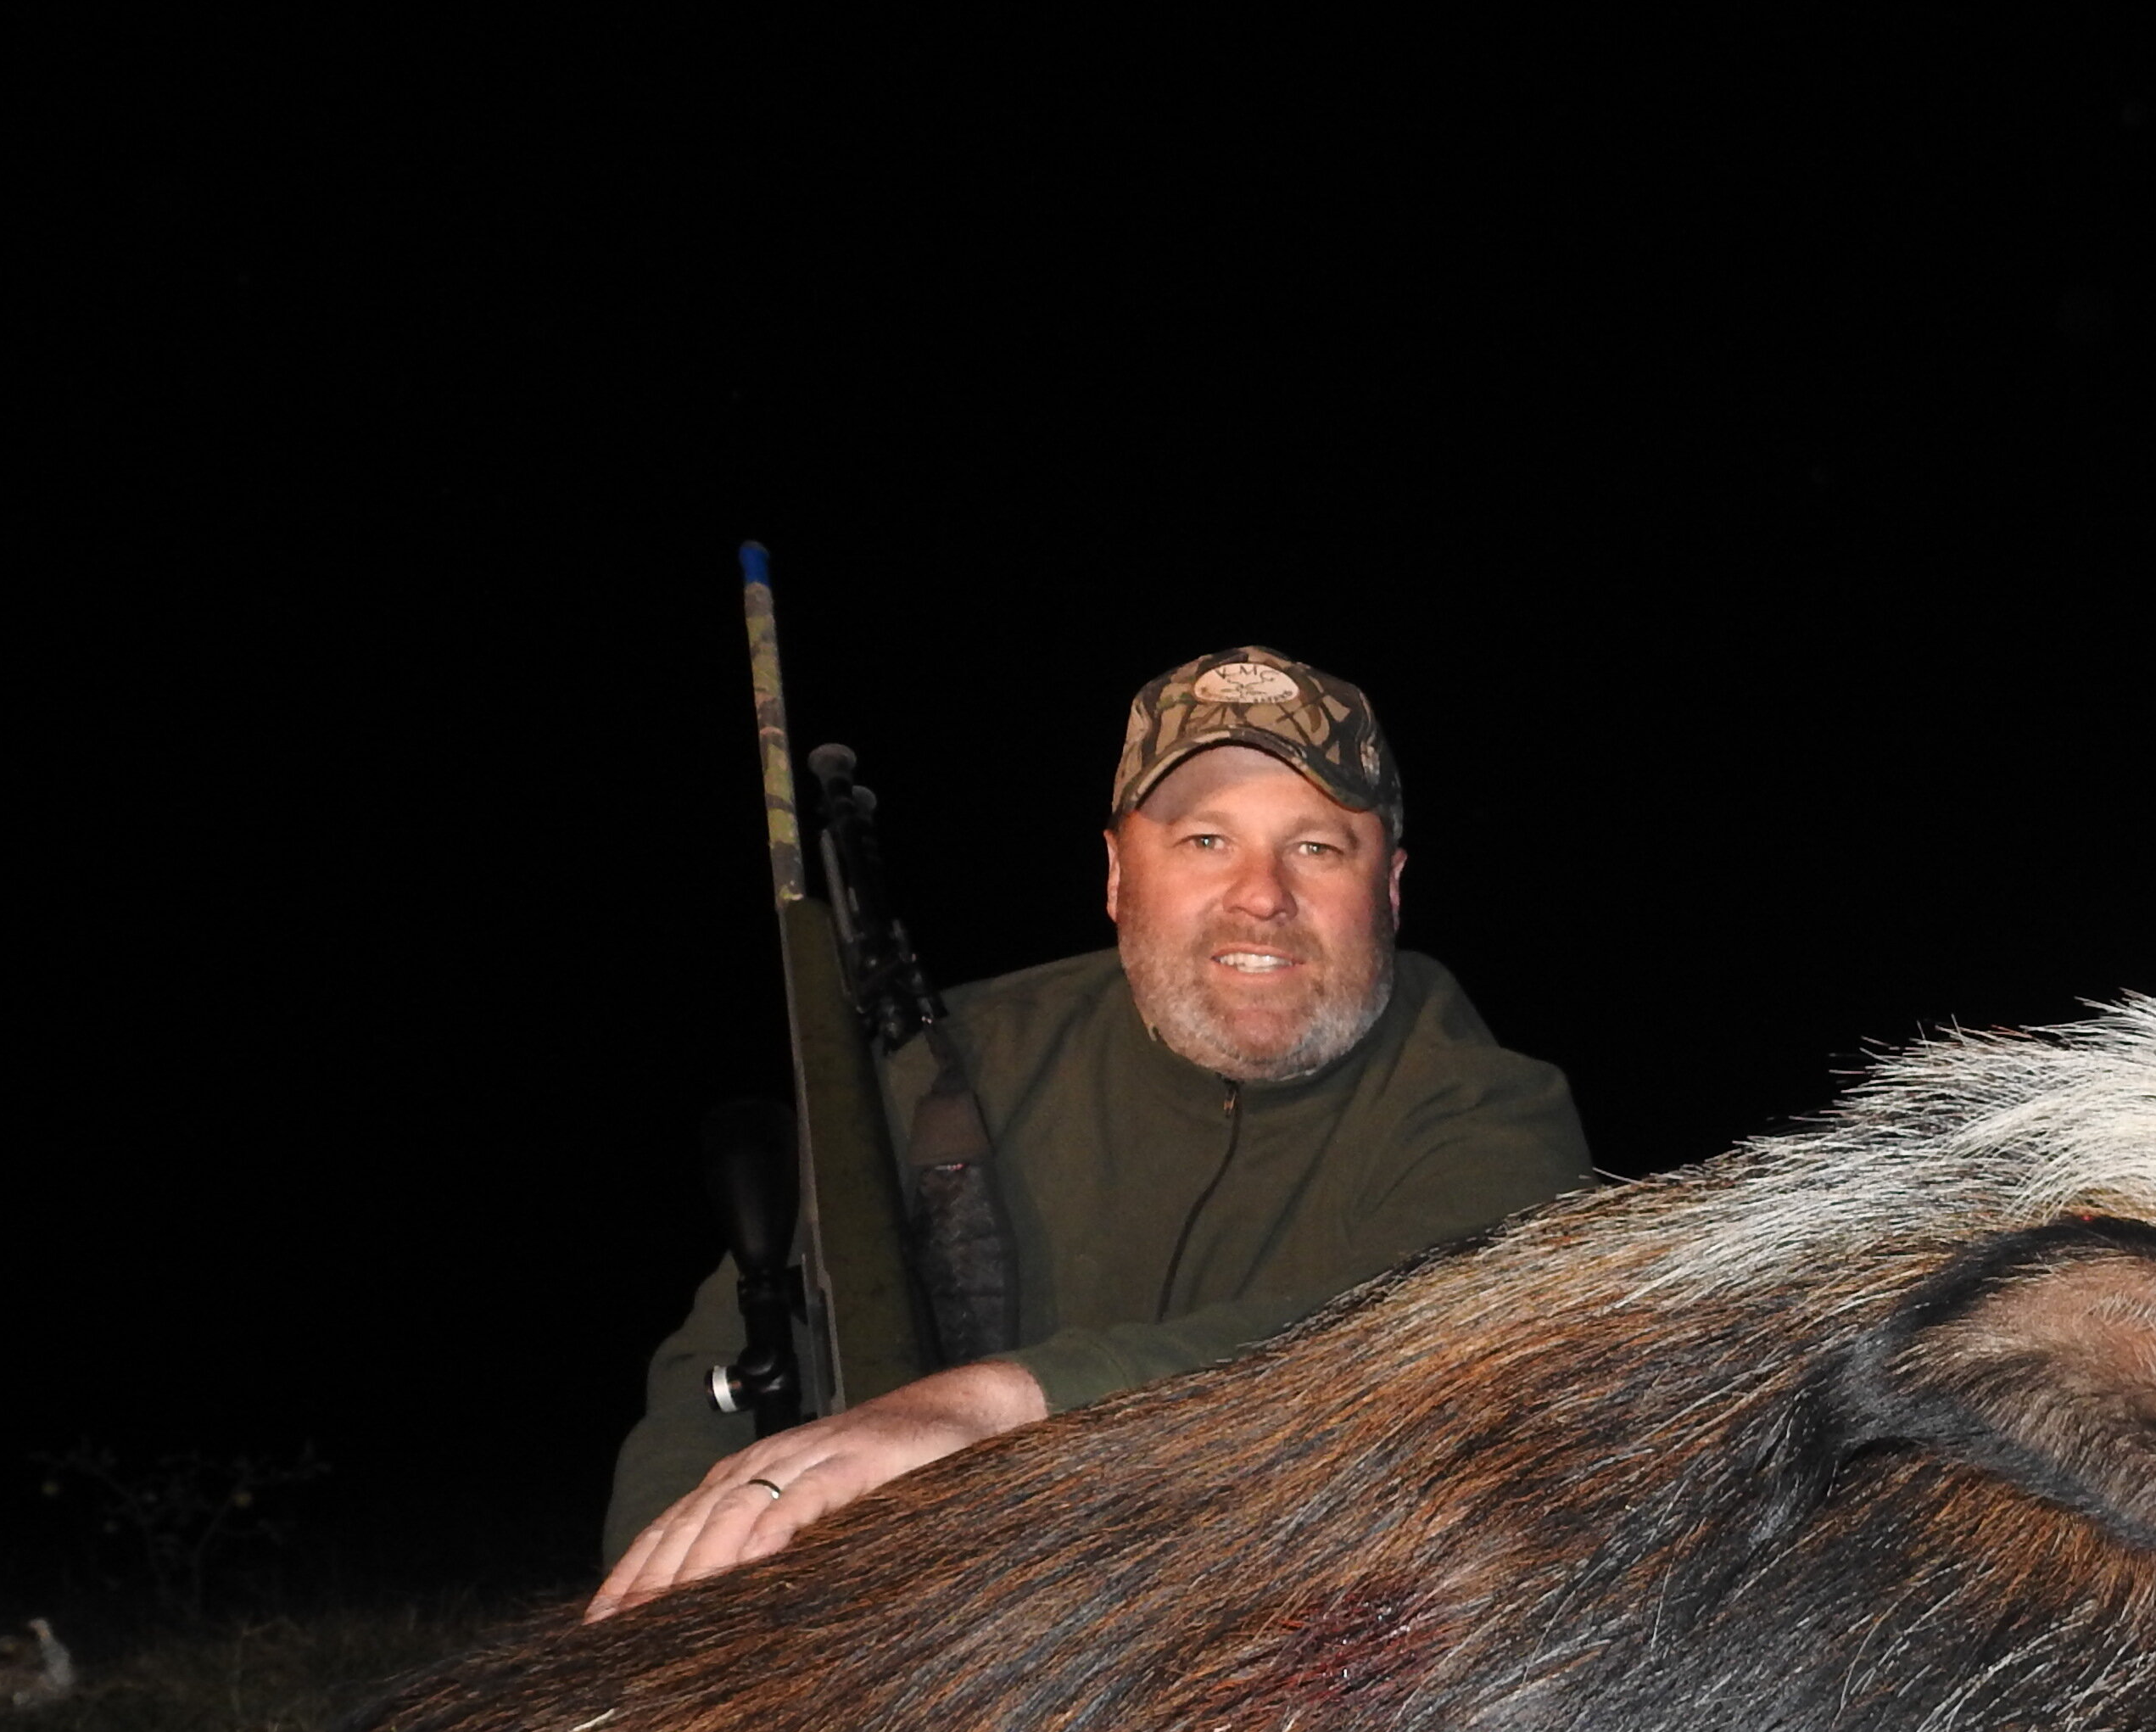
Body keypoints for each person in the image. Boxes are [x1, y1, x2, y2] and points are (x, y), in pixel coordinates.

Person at [591, 645, 1588, 1616]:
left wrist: (980, 1410)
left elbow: (1424, 1336)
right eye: (1206, 840)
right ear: (1116, 875)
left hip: (1300, 1646)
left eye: (1318, 847)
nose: (1261, 896)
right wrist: (680, 1590)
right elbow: (720, 1372)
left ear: (1392, 888)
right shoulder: (948, 1071)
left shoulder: (1490, 1109)